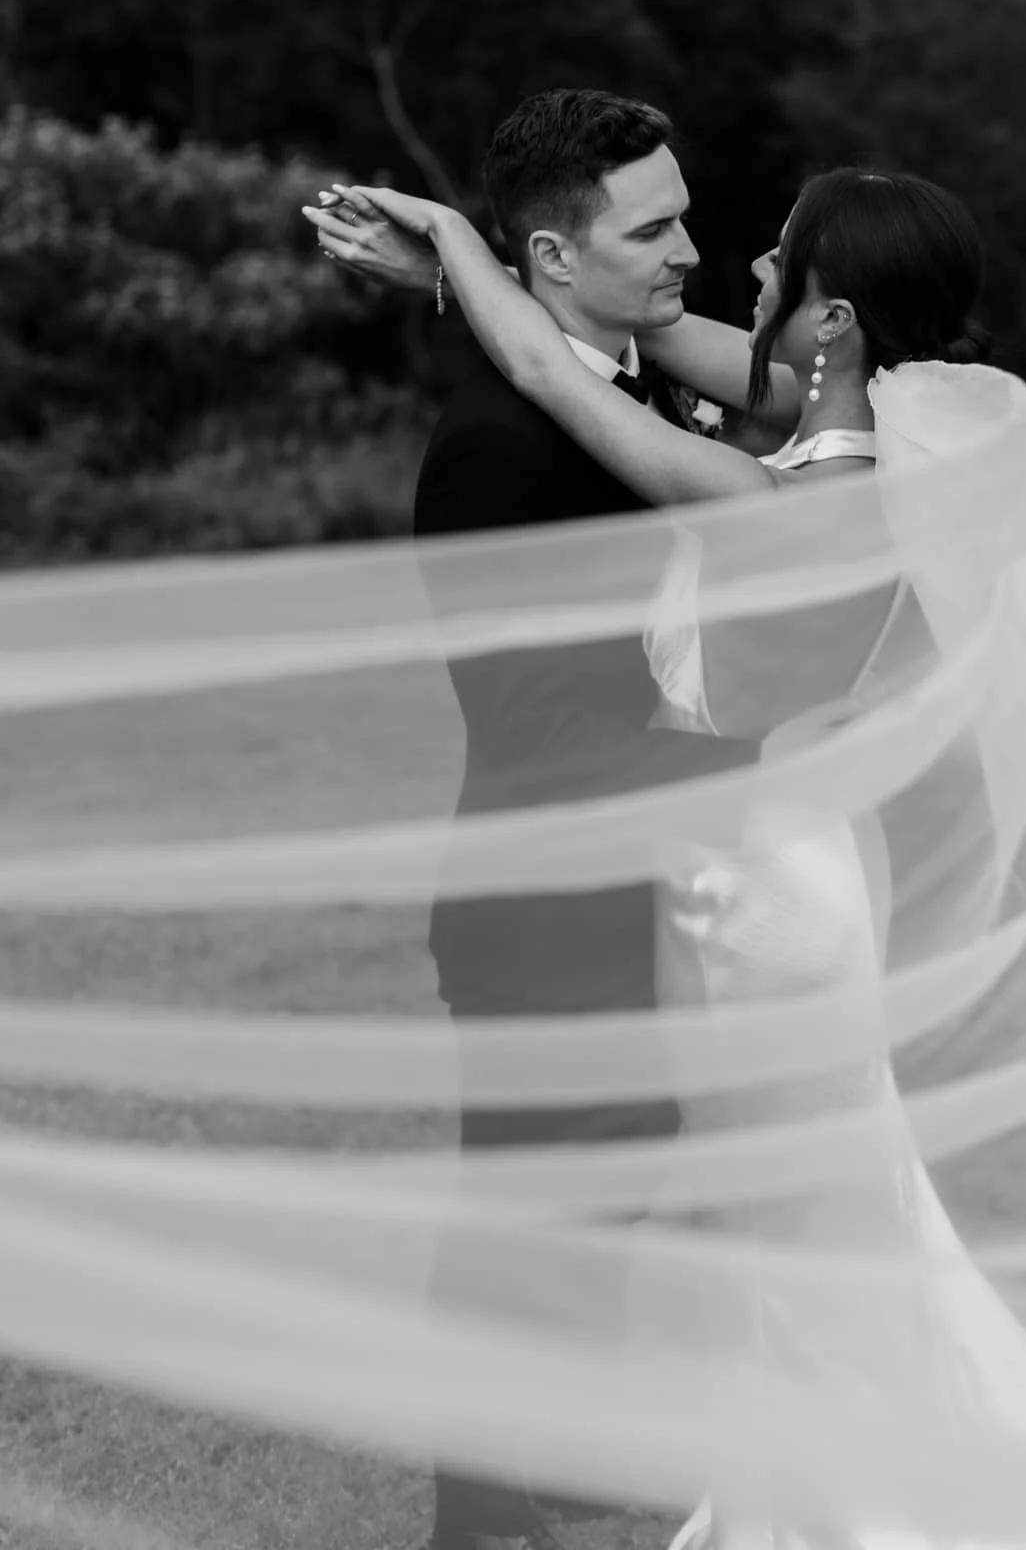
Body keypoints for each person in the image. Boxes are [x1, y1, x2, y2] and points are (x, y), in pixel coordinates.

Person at [307, 157, 1026, 1549]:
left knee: (790, 1216)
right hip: (790, 853)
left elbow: (566, 382)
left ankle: (840, 1502)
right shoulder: (922, 425)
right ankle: (790, 1469)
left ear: (837, 320)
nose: (740, 272)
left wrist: (455, 234)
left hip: (737, 874)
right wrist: (486, 272)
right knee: (806, 1202)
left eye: (778, 265)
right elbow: (645, 344)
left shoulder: (810, 497)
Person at [308, 89, 757, 1550]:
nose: (689, 246)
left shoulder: (652, 387)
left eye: (685, 212)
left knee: (612, 1208)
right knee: (527, 1227)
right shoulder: (497, 448)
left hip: (657, 880)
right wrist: (741, 780)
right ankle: (478, 1520)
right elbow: (536, 725)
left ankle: (556, 1459)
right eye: (655, 227)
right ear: (553, 262)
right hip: (549, 895)